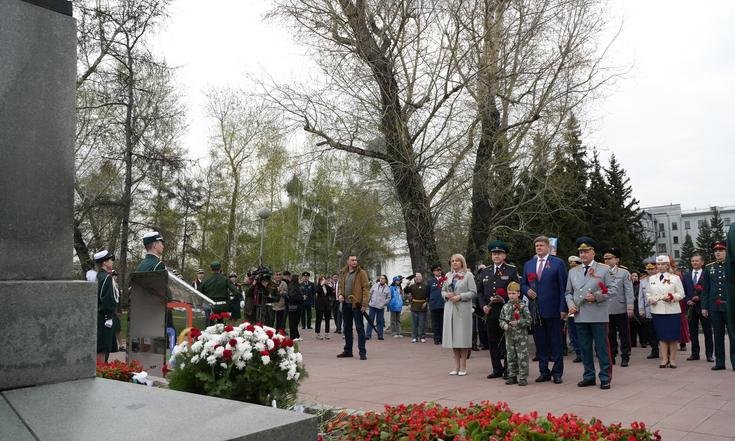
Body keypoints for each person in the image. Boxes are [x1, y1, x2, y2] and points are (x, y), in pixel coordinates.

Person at [565, 236, 615, 390]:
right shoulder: (573, 271)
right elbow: (568, 292)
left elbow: (613, 290)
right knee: (585, 348)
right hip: (580, 314)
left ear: (593, 252)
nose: (583, 255)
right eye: (580, 252)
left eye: (586, 251)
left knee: (601, 348)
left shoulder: (604, 269)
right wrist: (571, 305)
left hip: (598, 314)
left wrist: (597, 297)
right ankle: (589, 376)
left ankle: (605, 377)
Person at [521, 235, 568, 384]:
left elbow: (563, 287)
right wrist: (526, 290)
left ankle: (557, 372)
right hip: (535, 310)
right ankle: (544, 371)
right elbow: (523, 283)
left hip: (553, 309)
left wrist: (563, 308)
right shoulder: (529, 264)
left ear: (548, 247)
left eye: (541, 245)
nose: (539, 248)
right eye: (537, 246)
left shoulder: (557, 263)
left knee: (556, 342)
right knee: (540, 343)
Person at [476, 240, 519, 379]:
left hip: (505, 310)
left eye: (499, 253)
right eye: (494, 253)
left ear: (504, 255)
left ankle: (508, 368)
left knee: (506, 340)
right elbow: (480, 292)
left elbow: (516, 290)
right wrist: (483, 306)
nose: (496, 256)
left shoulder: (511, 270)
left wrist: (505, 298)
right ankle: (497, 368)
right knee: (492, 341)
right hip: (490, 311)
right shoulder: (485, 271)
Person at [647, 255, 685, 368]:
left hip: (672, 310)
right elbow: (648, 294)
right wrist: (650, 299)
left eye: (663, 264)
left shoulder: (675, 278)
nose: (660, 266)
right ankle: (664, 359)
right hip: (658, 311)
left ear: (668, 265)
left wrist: (672, 297)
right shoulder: (651, 278)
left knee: (673, 337)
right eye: (658, 264)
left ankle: (672, 360)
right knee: (662, 336)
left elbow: (681, 294)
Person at [442, 254, 477, 376]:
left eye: (457, 261)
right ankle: (455, 366)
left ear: (462, 262)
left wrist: (460, 297)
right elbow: (443, 290)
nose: (455, 263)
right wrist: (446, 295)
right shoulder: (448, 276)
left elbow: (473, 292)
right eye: (452, 261)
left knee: (461, 337)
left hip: (462, 310)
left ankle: (463, 366)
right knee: (453, 337)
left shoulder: (468, 275)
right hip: (450, 309)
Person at [702, 241, 734, 370]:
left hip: (730, 307)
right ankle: (719, 362)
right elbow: (705, 289)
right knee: (718, 335)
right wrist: (704, 307)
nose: (718, 253)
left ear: (726, 251)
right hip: (714, 307)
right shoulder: (709, 267)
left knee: (733, 334)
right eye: (716, 251)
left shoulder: (732, 266)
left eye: (721, 250)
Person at [602, 247, 634, 367]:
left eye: (609, 258)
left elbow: (629, 291)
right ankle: (612, 355)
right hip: (606, 308)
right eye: (605, 258)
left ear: (617, 259)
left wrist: (630, 307)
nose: (606, 261)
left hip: (620, 307)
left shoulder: (624, 273)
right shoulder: (600, 272)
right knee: (609, 334)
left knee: (624, 333)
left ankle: (625, 355)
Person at [336, 255, 370, 360]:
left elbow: (366, 288)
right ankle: (348, 351)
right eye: (352, 260)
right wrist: (340, 295)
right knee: (347, 328)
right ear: (348, 261)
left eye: (356, 260)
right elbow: (341, 286)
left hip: (357, 304)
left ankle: (362, 352)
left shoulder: (361, 273)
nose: (355, 262)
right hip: (346, 304)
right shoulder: (343, 272)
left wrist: (364, 304)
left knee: (359, 328)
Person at [499, 281, 531, 386]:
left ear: (518, 293)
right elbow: (501, 319)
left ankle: (523, 377)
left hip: (520, 336)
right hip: (509, 336)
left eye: (513, 293)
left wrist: (518, 322)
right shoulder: (505, 306)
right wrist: (504, 325)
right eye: (509, 294)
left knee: (522, 356)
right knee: (510, 356)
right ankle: (512, 375)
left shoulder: (523, 306)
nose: (511, 296)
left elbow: (529, 320)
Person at [684, 253, 714, 362]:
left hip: (704, 307)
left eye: (697, 261)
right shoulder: (686, 275)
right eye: (693, 261)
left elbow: (709, 290)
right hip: (691, 308)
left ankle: (709, 354)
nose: (694, 263)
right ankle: (695, 354)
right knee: (692, 332)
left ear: (702, 262)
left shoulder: (707, 274)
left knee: (707, 331)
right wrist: (688, 300)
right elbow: (683, 290)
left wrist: (699, 298)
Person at [95, 250, 119, 363]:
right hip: (105, 318)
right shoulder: (106, 278)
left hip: (99, 316)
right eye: (110, 260)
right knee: (102, 349)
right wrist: (108, 317)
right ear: (104, 262)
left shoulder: (98, 276)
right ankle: (100, 374)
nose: (112, 262)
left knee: (100, 347)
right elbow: (107, 300)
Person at [640, 261, 660, 359]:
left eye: (652, 269)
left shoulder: (660, 279)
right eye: (648, 269)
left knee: (660, 330)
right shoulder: (642, 281)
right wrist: (641, 309)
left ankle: (665, 349)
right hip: (648, 309)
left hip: (659, 308)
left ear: (656, 269)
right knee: (651, 331)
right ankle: (654, 350)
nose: (650, 271)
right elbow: (641, 297)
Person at [566, 256, 583, 363]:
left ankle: (585, 352)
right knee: (573, 333)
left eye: (575, 265)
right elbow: (567, 292)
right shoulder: (569, 275)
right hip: (571, 309)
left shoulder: (583, 275)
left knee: (582, 333)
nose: (573, 267)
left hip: (582, 309)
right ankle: (578, 353)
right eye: (571, 265)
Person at [629, 270, 650, 349]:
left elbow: (642, 295)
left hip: (639, 306)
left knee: (641, 325)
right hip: (631, 306)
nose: (634, 277)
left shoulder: (640, 284)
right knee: (632, 325)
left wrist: (637, 298)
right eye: (633, 276)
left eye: (636, 276)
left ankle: (643, 341)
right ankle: (632, 342)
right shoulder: (628, 284)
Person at [405, 272, 428, 343]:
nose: (418, 278)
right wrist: (407, 284)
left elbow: (428, 295)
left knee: (422, 323)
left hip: (422, 306)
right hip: (414, 306)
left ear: (422, 277)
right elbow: (406, 291)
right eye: (416, 277)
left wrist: (426, 302)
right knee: (414, 323)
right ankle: (414, 337)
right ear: (415, 278)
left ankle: (422, 337)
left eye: (419, 276)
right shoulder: (412, 286)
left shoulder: (425, 286)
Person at [366, 275, 390, 340]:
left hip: (381, 307)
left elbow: (388, 298)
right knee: (370, 320)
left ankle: (380, 335)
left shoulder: (387, 288)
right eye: (381, 278)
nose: (381, 280)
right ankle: (368, 335)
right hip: (373, 305)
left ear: (385, 280)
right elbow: (370, 293)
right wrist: (368, 302)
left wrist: (384, 303)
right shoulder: (375, 285)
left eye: (383, 279)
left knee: (380, 321)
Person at [427, 264, 445, 344]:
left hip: (443, 304)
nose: (439, 271)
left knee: (443, 322)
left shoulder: (445, 280)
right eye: (437, 270)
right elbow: (427, 293)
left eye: (440, 270)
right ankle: (437, 339)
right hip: (434, 304)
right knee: (435, 323)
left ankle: (443, 338)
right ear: (434, 272)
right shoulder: (430, 281)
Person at [282, 271, 302, 341]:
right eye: (299, 278)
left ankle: (296, 335)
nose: (300, 280)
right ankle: (293, 336)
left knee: (296, 321)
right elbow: (293, 296)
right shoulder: (292, 286)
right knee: (293, 321)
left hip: (296, 306)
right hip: (294, 306)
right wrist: (302, 297)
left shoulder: (296, 285)